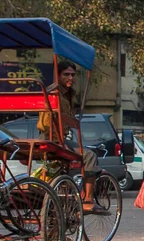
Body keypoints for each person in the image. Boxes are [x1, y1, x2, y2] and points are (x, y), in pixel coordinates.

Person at [37, 60, 102, 213]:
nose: (70, 78)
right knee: (90, 156)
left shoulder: (68, 94)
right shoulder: (54, 93)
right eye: (66, 74)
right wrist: (60, 143)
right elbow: (48, 124)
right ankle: (87, 200)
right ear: (58, 75)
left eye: (73, 75)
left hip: (59, 138)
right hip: (52, 139)